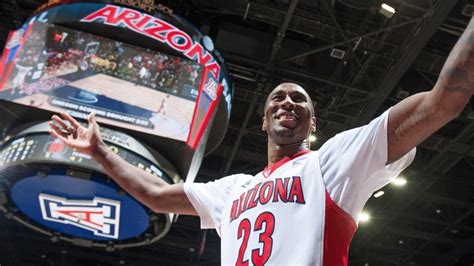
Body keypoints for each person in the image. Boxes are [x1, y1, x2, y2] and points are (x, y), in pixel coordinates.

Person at [48, 17, 474, 266]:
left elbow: (439, 105)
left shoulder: (334, 162)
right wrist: (99, 151)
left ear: (312, 121)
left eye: (299, 99)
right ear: (263, 121)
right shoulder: (233, 190)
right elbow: (157, 195)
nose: (288, 102)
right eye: (278, 97)